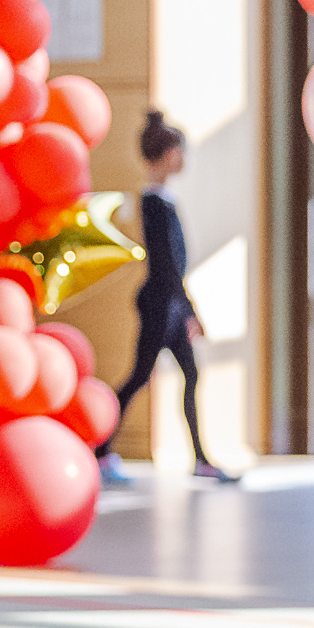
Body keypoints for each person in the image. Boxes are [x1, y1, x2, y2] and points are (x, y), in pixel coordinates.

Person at [96, 109, 237, 486]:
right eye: (181, 152)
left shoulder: (165, 200)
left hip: (171, 304)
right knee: (140, 376)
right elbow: (167, 267)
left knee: (189, 373)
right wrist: (191, 311)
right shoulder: (153, 202)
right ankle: (100, 449)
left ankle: (200, 459)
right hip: (161, 304)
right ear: (170, 154)